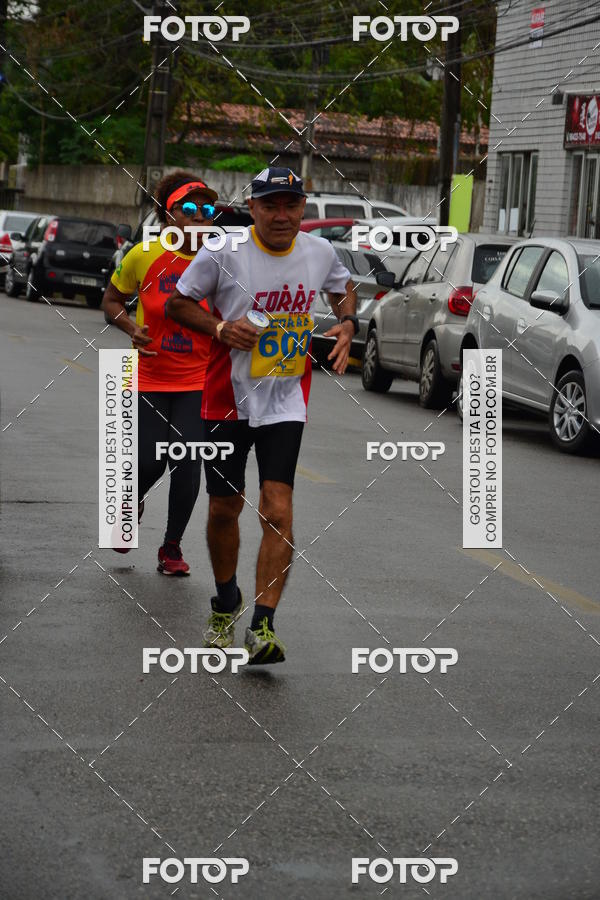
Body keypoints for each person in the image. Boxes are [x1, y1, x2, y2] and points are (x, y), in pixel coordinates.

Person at [166, 166, 358, 663]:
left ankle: (263, 626)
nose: (281, 215)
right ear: (252, 208)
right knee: (224, 509)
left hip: (286, 399)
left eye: (290, 205)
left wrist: (347, 323)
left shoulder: (320, 252)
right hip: (225, 397)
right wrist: (220, 327)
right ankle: (226, 600)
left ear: (302, 209)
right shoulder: (223, 252)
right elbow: (177, 304)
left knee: (277, 507)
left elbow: (341, 288)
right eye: (270, 205)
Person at [101, 171, 218, 575]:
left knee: (187, 462)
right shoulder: (144, 255)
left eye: (208, 209)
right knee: (150, 462)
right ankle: (131, 504)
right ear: (169, 217)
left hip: (198, 380)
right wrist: (132, 328)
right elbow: (112, 300)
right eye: (190, 208)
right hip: (149, 376)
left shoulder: (223, 260)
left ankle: (171, 547)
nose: (201, 215)